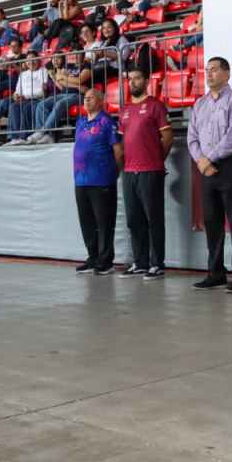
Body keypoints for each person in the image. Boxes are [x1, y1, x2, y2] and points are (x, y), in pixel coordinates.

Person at [188, 57, 232, 292]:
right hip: (206, 167)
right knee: (212, 221)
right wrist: (201, 161)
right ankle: (216, 272)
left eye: (214, 70)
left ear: (227, 74)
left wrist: (208, 160)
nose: (209, 74)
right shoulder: (200, 104)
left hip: (231, 165)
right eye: (207, 70)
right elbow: (192, 138)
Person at [118, 67, 173, 281]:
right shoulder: (124, 110)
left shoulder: (155, 106)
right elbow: (122, 143)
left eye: (137, 78)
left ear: (146, 81)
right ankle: (140, 263)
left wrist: (158, 160)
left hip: (151, 171)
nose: (133, 82)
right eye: (130, 79)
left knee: (154, 219)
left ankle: (157, 263)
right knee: (134, 220)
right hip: (130, 172)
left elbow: (167, 137)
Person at [73, 88, 123, 275]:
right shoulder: (80, 122)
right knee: (87, 223)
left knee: (104, 223)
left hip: (102, 180)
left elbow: (118, 151)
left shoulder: (107, 122)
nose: (86, 100)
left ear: (101, 101)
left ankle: (105, 261)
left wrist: (114, 172)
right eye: (85, 98)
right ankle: (92, 257)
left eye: (91, 98)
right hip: (81, 181)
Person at [27, 51, 83, 145]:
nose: (55, 61)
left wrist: (64, 78)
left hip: (77, 95)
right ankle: (48, 136)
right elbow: (63, 85)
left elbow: (78, 82)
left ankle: (41, 132)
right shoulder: (62, 70)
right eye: (53, 58)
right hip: (64, 94)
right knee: (42, 104)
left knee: (59, 104)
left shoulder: (79, 67)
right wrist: (63, 79)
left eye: (58, 58)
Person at [3, 51, 48, 146]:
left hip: (37, 99)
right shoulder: (23, 74)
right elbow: (18, 89)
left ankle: (24, 137)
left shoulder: (43, 71)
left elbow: (42, 91)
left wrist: (26, 96)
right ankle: (14, 137)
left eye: (33, 59)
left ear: (38, 60)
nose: (31, 62)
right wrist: (16, 94)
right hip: (23, 99)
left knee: (26, 108)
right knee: (13, 107)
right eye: (28, 60)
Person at [77, 18, 128, 91]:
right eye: (104, 28)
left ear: (115, 28)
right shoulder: (104, 43)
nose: (106, 30)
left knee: (87, 78)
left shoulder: (121, 39)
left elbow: (123, 56)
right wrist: (95, 56)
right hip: (102, 67)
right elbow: (98, 57)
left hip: (115, 68)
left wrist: (104, 53)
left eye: (109, 27)